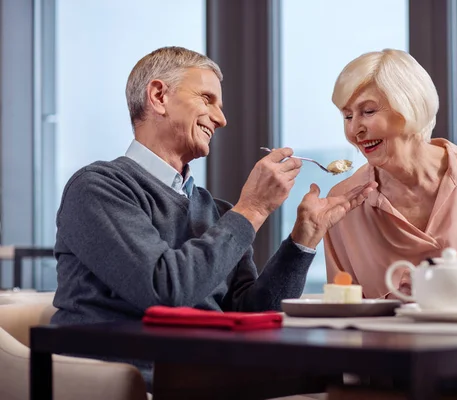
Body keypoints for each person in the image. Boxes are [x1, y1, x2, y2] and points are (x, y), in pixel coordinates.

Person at [51, 46, 376, 389]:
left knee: (333, 378)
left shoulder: (214, 209)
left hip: (206, 374)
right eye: (208, 99)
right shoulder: (97, 188)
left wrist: (303, 239)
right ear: (159, 96)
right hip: (132, 378)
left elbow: (251, 315)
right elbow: (165, 290)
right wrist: (252, 209)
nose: (221, 119)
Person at [323, 48, 457, 392]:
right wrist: (390, 303)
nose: (355, 130)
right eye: (347, 116)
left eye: (368, 111)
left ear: (409, 105)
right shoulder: (342, 202)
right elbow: (341, 305)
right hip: (390, 371)